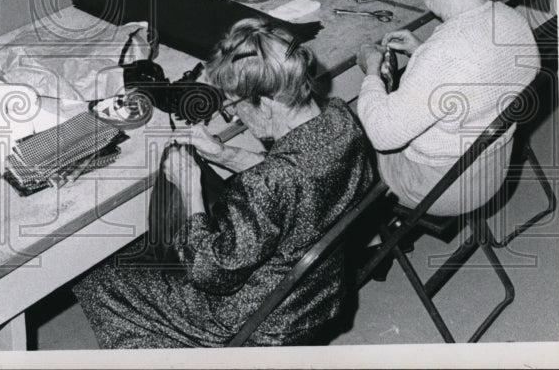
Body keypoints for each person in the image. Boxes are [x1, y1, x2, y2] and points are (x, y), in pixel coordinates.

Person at [73, 19, 375, 348]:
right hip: (320, 296)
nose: (235, 114)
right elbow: (301, 179)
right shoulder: (342, 120)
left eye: (234, 105)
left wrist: (190, 189)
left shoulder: (266, 185)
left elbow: (211, 272)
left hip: (263, 319)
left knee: (103, 280)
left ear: (269, 104)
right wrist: (224, 153)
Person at [356, 0, 538, 216]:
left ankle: (365, 242)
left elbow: (382, 134)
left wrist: (372, 71)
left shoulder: (444, 54)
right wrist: (422, 50)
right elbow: (476, 72)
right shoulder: (511, 19)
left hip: (439, 188)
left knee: (340, 138)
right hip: (490, 171)